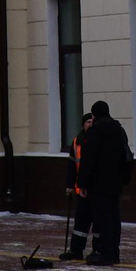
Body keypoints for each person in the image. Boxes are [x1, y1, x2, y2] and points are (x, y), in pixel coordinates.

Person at [74, 99, 134, 266]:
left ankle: (102, 253)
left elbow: (88, 160)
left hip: (98, 183)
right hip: (116, 182)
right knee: (114, 217)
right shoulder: (119, 130)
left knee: (102, 219)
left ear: (95, 114)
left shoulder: (95, 132)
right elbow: (125, 155)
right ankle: (114, 252)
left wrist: (82, 183)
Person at [60, 111, 95, 261]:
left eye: (92, 122)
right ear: (83, 124)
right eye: (88, 122)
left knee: (97, 223)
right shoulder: (77, 142)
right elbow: (71, 166)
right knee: (80, 222)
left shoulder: (96, 141)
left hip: (95, 188)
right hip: (81, 189)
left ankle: (96, 250)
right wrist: (70, 185)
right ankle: (76, 250)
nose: (90, 125)